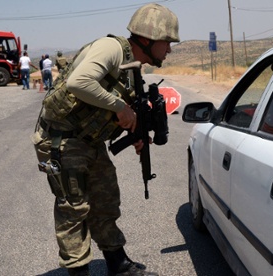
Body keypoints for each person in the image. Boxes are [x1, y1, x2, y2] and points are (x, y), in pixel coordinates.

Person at [31, 3, 179, 276]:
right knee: (74, 208)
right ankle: (78, 271)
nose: (169, 49)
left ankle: (118, 264)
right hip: (61, 139)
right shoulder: (111, 49)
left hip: (90, 141)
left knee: (106, 201)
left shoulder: (133, 67)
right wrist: (120, 107)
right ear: (147, 39)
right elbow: (79, 83)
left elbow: (111, 109)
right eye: (167, 42)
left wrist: (134, 130)